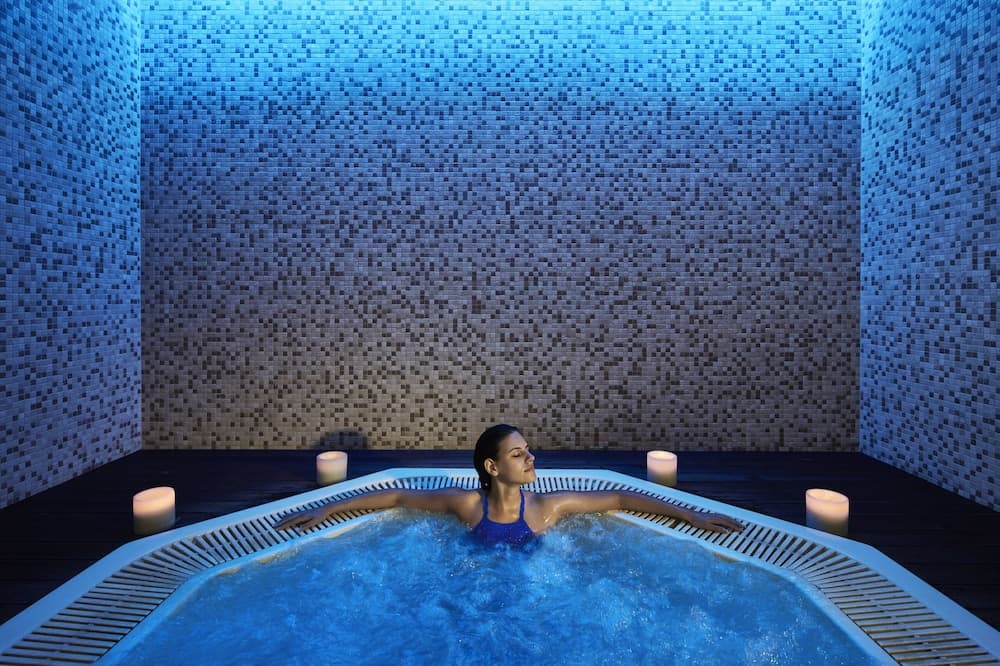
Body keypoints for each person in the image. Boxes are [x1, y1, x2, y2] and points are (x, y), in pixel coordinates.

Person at [273, 424, 743, 545]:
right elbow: (396, 495)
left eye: (527, 450)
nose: (530, 457)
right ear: (492, 467)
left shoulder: (546, 508)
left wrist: (692, 513)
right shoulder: (467, 505)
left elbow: (621, 495)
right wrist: (326, 509)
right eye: (518, 454)